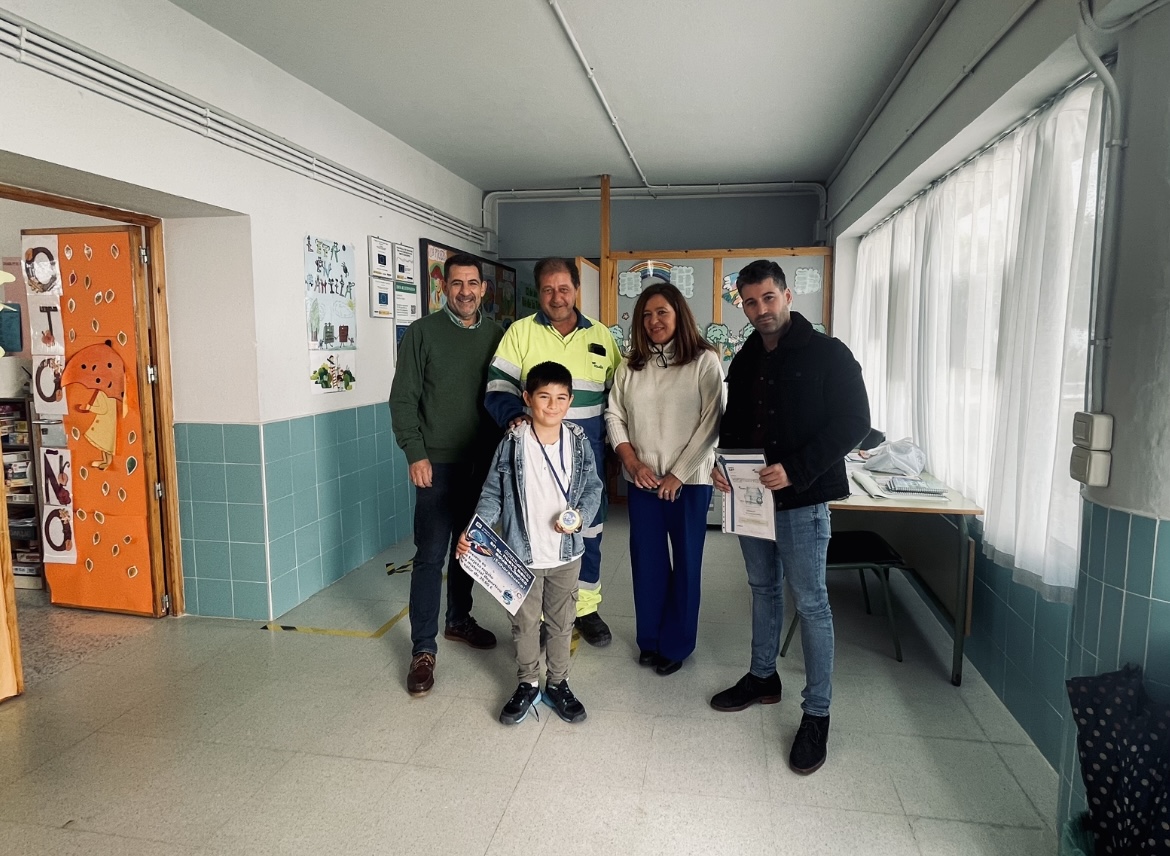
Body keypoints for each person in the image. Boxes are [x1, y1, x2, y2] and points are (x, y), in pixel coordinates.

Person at [710, 259, 869, 775]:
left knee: (813, 603)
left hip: (803, 499)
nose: (761, 310)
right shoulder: (745, 357)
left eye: (769, 298)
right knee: (762, 589)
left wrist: (795, 469)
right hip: (751, 498)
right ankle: (763, 677)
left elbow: (855, 422)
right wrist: (723, 464)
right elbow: (734, 420)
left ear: (787, 295)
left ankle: (817, 713)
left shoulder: (828, 354)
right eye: (750, 302)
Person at [457, 361, 604, 725]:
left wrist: (581, 516)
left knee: (561, 623)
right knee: (524, 625)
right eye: (544, 397)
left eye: (561, 398)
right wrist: (474, 530)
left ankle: (558, 683)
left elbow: (593, 487)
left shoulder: (578, 442)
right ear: (527, 398)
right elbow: (492, 494)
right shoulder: (512, 443)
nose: (552, 405)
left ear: (570, 401)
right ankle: (527, 683)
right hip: (522, 556)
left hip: (566, 555)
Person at [485, 257, 621, 646]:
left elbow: (619, 396)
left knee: (587, 530)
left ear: (576, 290)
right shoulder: (520, 332)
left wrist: (615, 448)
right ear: (539, 292)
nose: (556, 297)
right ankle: (545, 616)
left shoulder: (601, 336)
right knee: (539, 534)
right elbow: (498, 387)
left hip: (587, 460)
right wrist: (515, 417)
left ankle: (586, 608)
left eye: (564, 289)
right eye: (548, 289)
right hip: (536, 461)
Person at [388, 252, 503, 697]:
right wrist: (415, 453)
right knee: (431, 554)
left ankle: (458, 619)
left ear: (483, 289)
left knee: (467, 550)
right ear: (444, 288)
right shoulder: (422, 333)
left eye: (472, 283)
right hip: (435, 464)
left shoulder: (497, 335)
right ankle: (423, 649)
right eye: (456, 284)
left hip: (481, 464)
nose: (465, 292)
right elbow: (403, 399)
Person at [605, 282, 724, 675]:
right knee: (648, 562)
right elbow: (614, 416)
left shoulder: (704, 361)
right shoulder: (630, 365)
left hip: (689, 483)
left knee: (687, 564)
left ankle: (676, 645)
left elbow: (711, 423)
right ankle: (651, 640)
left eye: (662, 312)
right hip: (643, 482)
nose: (653, 321)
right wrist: (632, 462)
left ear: (679, 315)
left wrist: (678, 473)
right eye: (646, 315)